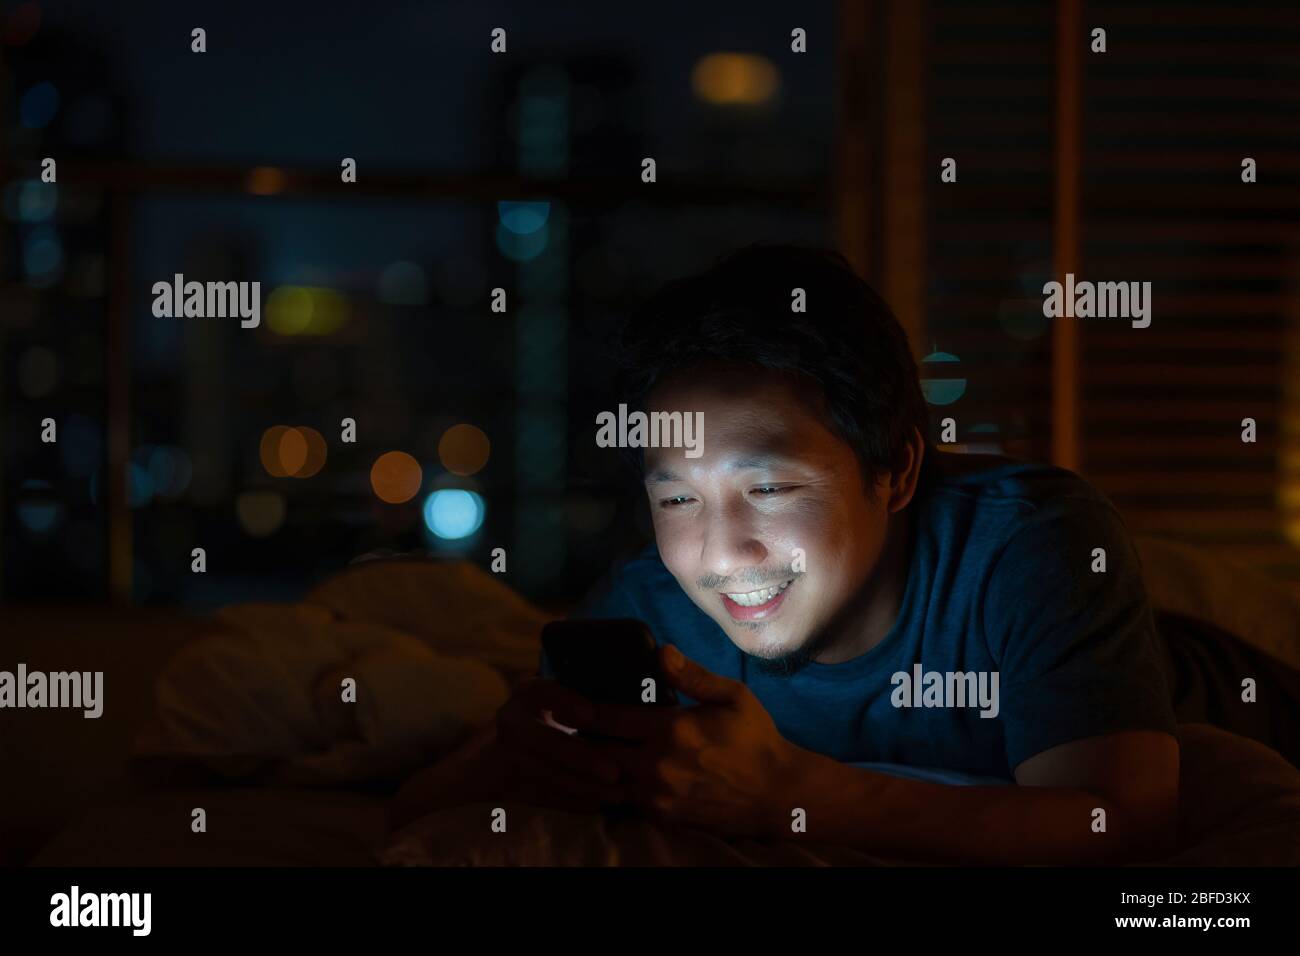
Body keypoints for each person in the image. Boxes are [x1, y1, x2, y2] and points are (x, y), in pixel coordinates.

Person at [389, 243, 1180, 864]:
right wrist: (515, 755)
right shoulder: (652, 605)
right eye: (676, 498)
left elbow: (1121, 819)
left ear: (896, 469)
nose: (722, 555)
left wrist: (794, 797)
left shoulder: (1030, 545)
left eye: (768, 490)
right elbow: (417, 810)